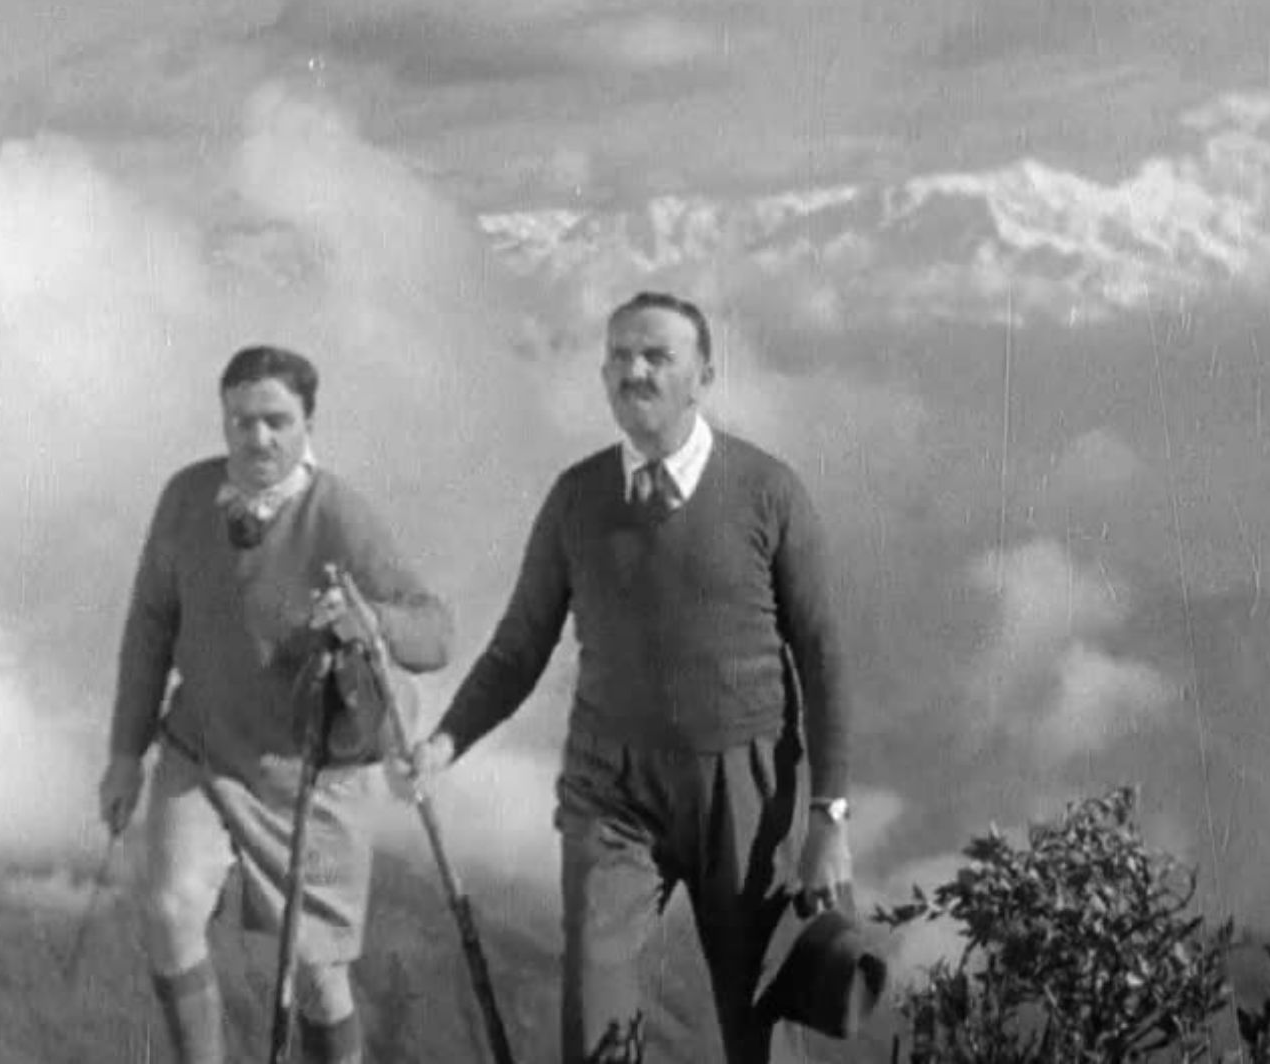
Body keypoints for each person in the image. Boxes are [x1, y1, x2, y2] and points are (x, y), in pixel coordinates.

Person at [412, 292, 856, 1063]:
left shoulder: (768, 491)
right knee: (595, 1014)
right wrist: (447, 741)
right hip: (610, 791)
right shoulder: (576, 498)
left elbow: (821, 654)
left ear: (704, 375)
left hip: (746, 790)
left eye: (656, 355)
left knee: (761, 1026)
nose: (634, 371)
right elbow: (519, 648)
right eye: (619, 356)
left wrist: (830, 816)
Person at [97, 345, 452, 1064]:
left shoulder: (338, 514)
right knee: (169, 910)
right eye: (241, 421)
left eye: (276, 421)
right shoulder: (187, 498)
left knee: (318, 973)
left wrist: (371, 621)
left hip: (308, 773)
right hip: (200, 750)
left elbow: (434, 633)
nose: (258, 438)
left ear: (307, 423)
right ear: (223, 421)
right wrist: (126, 755)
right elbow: (151, 626)